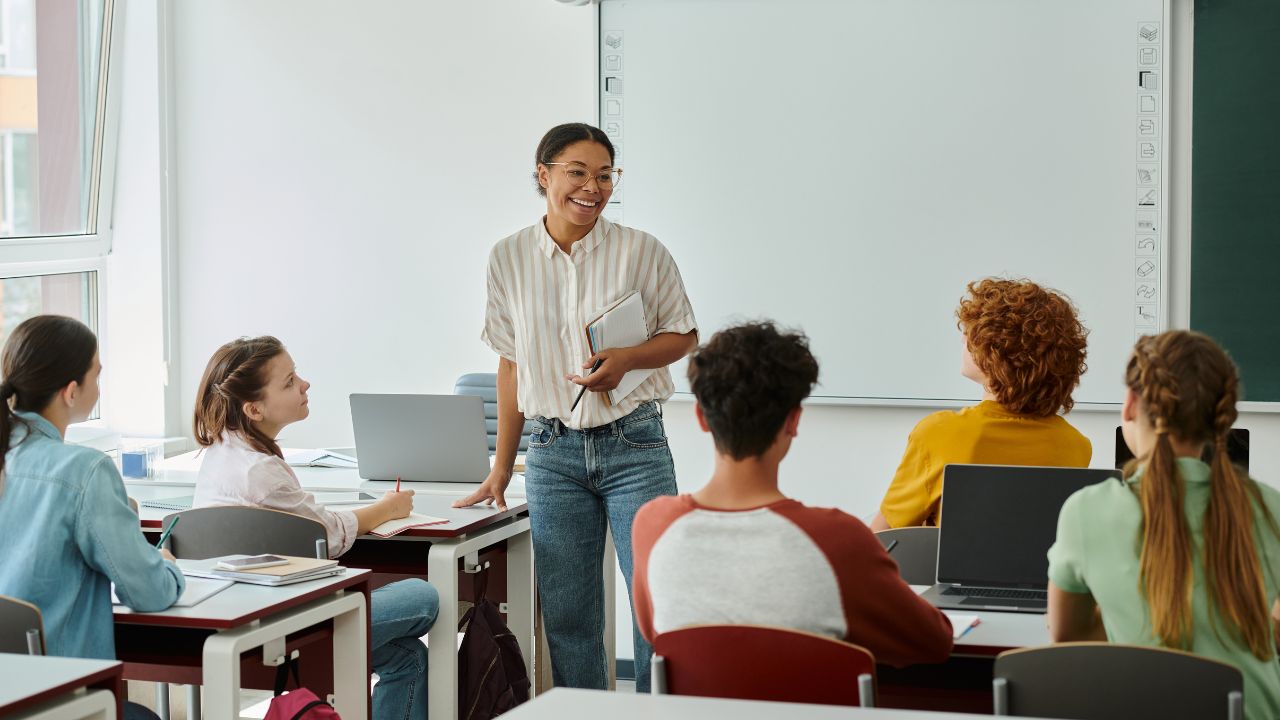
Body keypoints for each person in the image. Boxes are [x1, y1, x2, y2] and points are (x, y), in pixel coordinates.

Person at [454, 122, 698, 692]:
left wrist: (629, 358)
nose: (594, 187)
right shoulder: (508, 257)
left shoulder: (641, 249)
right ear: (544, 176)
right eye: (578, 173)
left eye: (606, 175)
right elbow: (511, 364)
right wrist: (499, 467)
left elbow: (684, 335)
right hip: (550, 451)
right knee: (567, 617)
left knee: (654, 605)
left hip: (634, 443)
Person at [631, 322, 953, 666]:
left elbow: (656, 634)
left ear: (701, 417)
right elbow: (934, 642)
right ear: (793, 421)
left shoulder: (653, 525)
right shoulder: (837, 539)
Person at [191, 336, 439, 720]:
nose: (304, 385)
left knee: (409, 657)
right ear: (254, 408)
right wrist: (386, 509)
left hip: (240, 617)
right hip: (291, 627)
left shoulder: (220, 454)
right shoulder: (263, 471)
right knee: (424, 597)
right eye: (289, 381)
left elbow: (305, 521)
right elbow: (330, 535)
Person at [1047, 330, 1280, 720]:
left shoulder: (1086, 511)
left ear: (1130, 405)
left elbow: (1066, 636)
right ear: (1219, 416)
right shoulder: (1270, 507)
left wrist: (1133, 619)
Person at [0, 315, 184, 720]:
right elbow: (149, 593)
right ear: (70, 392)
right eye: (96, 375)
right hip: (60, 697)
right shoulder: (85, 471)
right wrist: (165, 564)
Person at [871, 278, 1091, 529]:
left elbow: (882, 539)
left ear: (995, 355)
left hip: (954, 570)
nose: (964, 339)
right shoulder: (1075, 446)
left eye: (972, 333)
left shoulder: (939, 435)